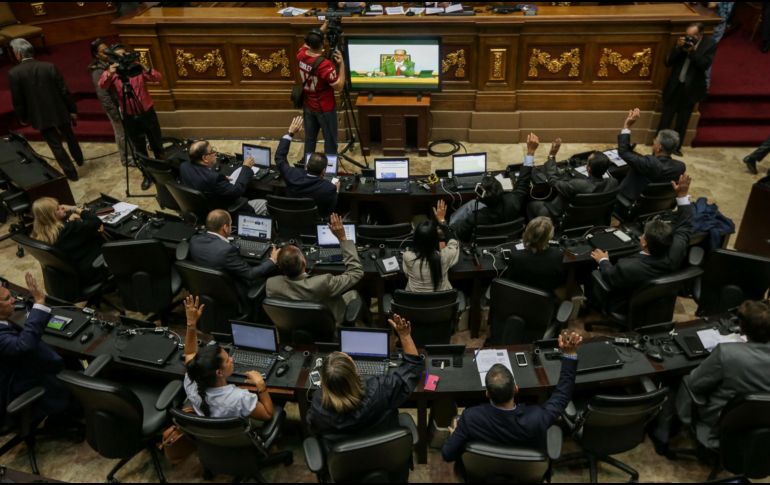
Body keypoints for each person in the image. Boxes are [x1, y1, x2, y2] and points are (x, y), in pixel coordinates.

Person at [442, 330, 583, 463]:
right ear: (516, 389)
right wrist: (569, 354)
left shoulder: (471, 418)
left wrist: (455, 434)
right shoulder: (537, 417)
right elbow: (562, 394)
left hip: (485, 472)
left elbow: (447, 455)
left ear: (487, 393)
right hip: (525, 474)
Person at [306, 313, 423, 440]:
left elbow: (314, 430)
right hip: (384, 451)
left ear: (325, 383)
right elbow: (412, 368)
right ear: (356, 374)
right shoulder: (380, 390)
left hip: (344, 458)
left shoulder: (317, 406)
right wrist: (405, 336)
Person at [672, 300, 770, 448]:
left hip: (723, 421)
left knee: (686, 380)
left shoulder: (727, 353)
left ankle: (672, 430)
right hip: (762, 420)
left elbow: (694, 384)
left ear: (742, 328)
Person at [590, 173, 694, 312]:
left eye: (643, 235)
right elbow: (685, 225)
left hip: (626, 302)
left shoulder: (627, 267)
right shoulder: (677, 248)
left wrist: (603, 260)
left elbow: (609, 276)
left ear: (644, 244)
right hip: (655, 299)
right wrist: (682, 196)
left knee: (591, 274)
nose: (640, 237)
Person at [182, 295, 273, 421]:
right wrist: (261, 385)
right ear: (219, 372)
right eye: (227, 360)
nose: (232, 359)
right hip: (237, 439)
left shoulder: (191, 381)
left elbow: (190, 353)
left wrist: (191, 324)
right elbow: (268, 415)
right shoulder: (240, 398)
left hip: (209, 435)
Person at [0, 273, 74, 421]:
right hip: (16, 386)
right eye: (8, 299)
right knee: (72, 378)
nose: (14, 300)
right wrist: (39, 303)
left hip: (12, 369)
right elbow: (23, 346)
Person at [267, 213, 363, 327]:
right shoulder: (323, 282)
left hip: (295, 325)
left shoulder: (271, 284)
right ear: (304, 262)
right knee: (353, 294)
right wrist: (342, 238)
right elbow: (356, 272)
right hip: (327, 325)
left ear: (279, 265)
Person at [8, 38, 83, 182]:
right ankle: (79, 159)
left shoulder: (14, 73)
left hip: (39, 115)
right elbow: (64, 91)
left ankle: (72, 174)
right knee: (70, 136)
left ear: (18, 54)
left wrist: (23, 117)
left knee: (55, 145)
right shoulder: (49, 66)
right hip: (59, 110)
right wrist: (72, 109)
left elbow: (18, 100)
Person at [98, 44, 163, 191]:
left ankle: (164, 173)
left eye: (124, 55)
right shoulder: (113, 73)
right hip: (129, 115)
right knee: (139, 149)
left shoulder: (136, 69)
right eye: (119, 56)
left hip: (147, 112)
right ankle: (147, 175)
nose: (123, 58)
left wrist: (144, 66)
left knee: (157, 144)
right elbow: (102, 85)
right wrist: (110, 72)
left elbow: (157, 77)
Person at [449, 133, 536, 242]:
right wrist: (530, 152)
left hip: (479, 244)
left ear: (481, 200)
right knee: (471, 204)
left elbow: (459, 234)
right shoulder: (514, 202)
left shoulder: (475, 218)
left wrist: (443, 223)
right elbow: (523, 182)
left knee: (470, 205)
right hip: (506, 239)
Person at [189, 209, 279, 299]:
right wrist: (272, 260)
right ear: (225, 228)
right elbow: (250, 274)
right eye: (231, 224)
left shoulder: (194, 240)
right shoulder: (227, 250)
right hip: (229, 293)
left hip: (205, 288)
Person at [657, 22, 716, 156]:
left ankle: (676, 147)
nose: (689, 38)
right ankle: (659, 143)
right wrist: (678, 48)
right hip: (675, 86)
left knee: (682, 120)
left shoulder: (709, 44)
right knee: (666, 117)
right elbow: (668, 62)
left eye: (692, 36)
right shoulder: (681, 42)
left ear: (699, 35)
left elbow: (704, 65)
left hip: (691, 89)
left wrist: (692, 52)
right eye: (687, 35)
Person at [401, 199, 465, 309]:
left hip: (415, 308)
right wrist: (442, 222)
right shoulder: (445, 256)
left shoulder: (408, 257)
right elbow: (453, 242)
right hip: (442, 308)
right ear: (436, 239)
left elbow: (407, 274)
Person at [30, 197, 105, 286]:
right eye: (57, 209)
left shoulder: (39, 235)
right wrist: (74, 208)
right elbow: (96, 221)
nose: (62, 207)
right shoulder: (69, 229)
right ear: (51, 216)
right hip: (91, 270)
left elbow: (65, 238)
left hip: (70, 277)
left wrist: (68, 221)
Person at [298, 21, 347, 157]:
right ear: (322, 44)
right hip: (325, 109)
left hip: (308, 106)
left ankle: (308, 169)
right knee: (330, 142)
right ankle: (330, 173)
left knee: (310, 139)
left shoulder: (301, 54)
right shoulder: (325, 65)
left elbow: (309, 41)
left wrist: (325, 24)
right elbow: (339, 87)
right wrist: (342, 64)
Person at [180, 140, 268, 215]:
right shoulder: (214, 179)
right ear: (205, 158)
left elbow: (203, 176)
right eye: (212, 151)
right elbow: (237, 191)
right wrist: (246, 168)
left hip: (203, 209)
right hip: (224, 213)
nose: (215, 153)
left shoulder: (183, 166)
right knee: (265, 204)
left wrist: (220, 178)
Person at [618, 108, 686, 203]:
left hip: (631, 200)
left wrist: (627, 126)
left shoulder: (648, 163)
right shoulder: (680, 167)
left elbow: (623, 152)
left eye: (656, 140)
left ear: (659, 148)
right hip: (655, 203)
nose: (654, 141)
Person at [527, 149, 618, 221]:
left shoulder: (576, 185)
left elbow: (553, 181)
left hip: (560, 215)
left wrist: (551, 156)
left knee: (531, 205)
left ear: (588, 169)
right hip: (591, 216)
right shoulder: (613, 183)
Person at [275, 116, 338, 217]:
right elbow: (330, 210)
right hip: (315, 222)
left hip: (291, 218)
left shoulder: (292, 175)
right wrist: (337, 191)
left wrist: (290, 133)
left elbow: (279, 157)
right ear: (323, 171)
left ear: (307, 166)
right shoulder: (329, 188)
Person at [88, 38, 128, 167]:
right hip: (114, 106)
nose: (107, 53)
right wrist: (114, 112)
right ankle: (126, 159)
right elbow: (103, 94)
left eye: (107, 50)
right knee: (121, 133)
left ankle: (134, 154)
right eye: (103, 52)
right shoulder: (97, 70)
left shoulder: (112, 61)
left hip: (123, 102)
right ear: (96, 55)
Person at [502, 216, 565, 295]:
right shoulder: (558, 255)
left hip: (519, 300)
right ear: (549, 236)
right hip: (546, 303)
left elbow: (510, 282)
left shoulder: (516, 256)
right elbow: (560, 282)